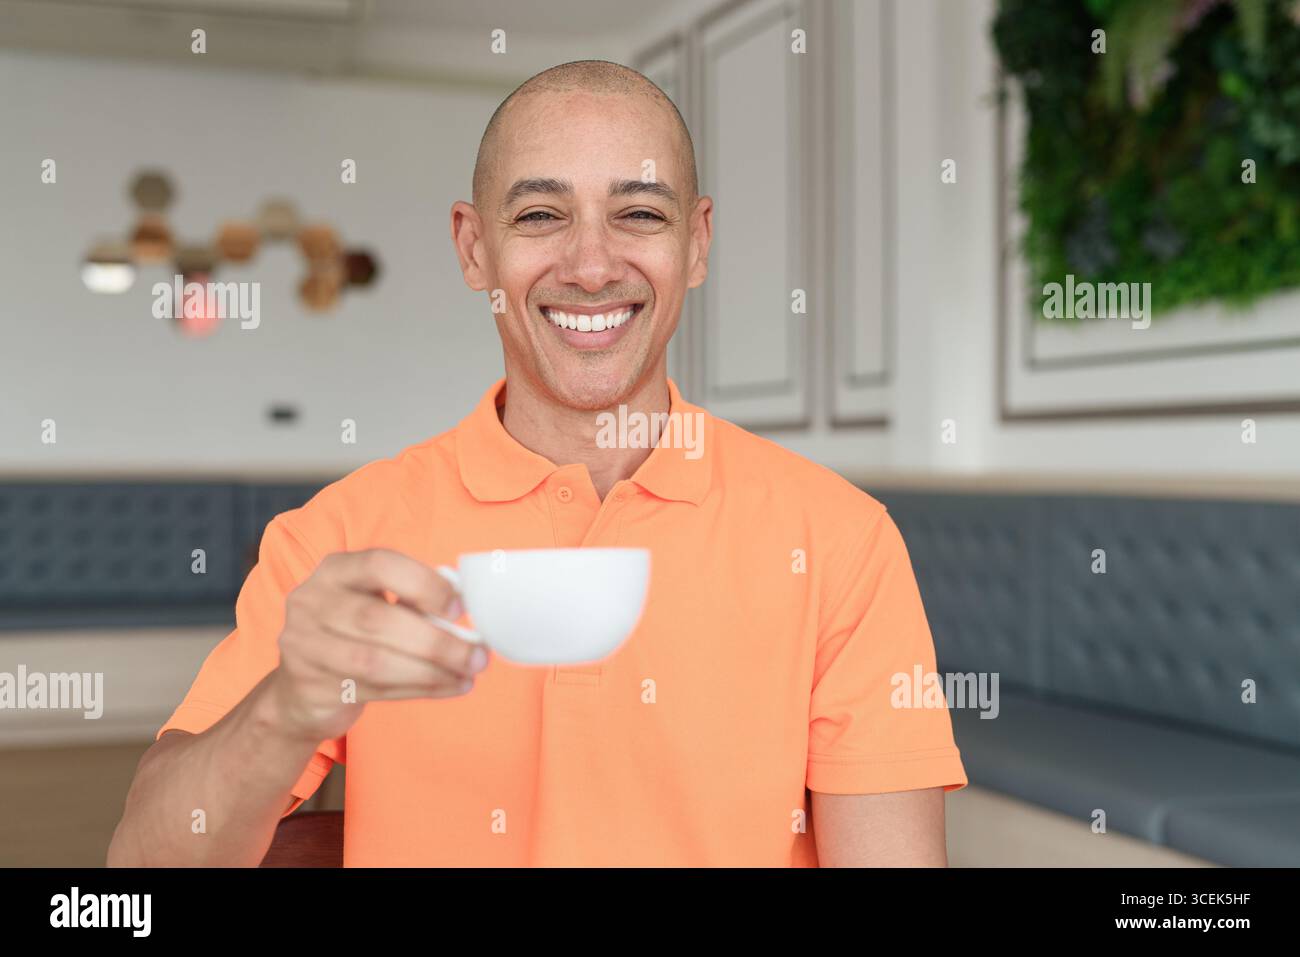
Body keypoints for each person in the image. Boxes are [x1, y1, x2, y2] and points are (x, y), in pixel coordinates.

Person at [108, 59, 966, 868]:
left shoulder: (843, 543)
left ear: (696, 244)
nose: (591, 265)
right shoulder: (338, 538)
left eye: (638, 213)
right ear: (474, 248)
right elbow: (144, 857)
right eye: (540, 215)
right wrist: (285, 708)